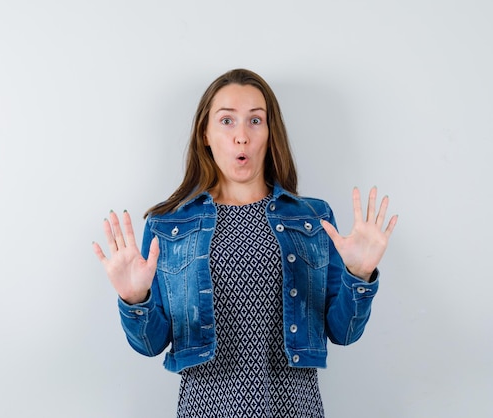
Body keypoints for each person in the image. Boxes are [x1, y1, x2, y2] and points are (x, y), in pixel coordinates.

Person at [92, 68, 398, 417]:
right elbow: (151, 343)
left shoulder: (313, 219)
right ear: (205, 134)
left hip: (295, 409)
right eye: (227, 121)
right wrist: (135, 299)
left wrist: (359, 276)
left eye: (255, 121)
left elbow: (342, 332)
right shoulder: (168, 226)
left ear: (270, 133)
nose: (242, 136)